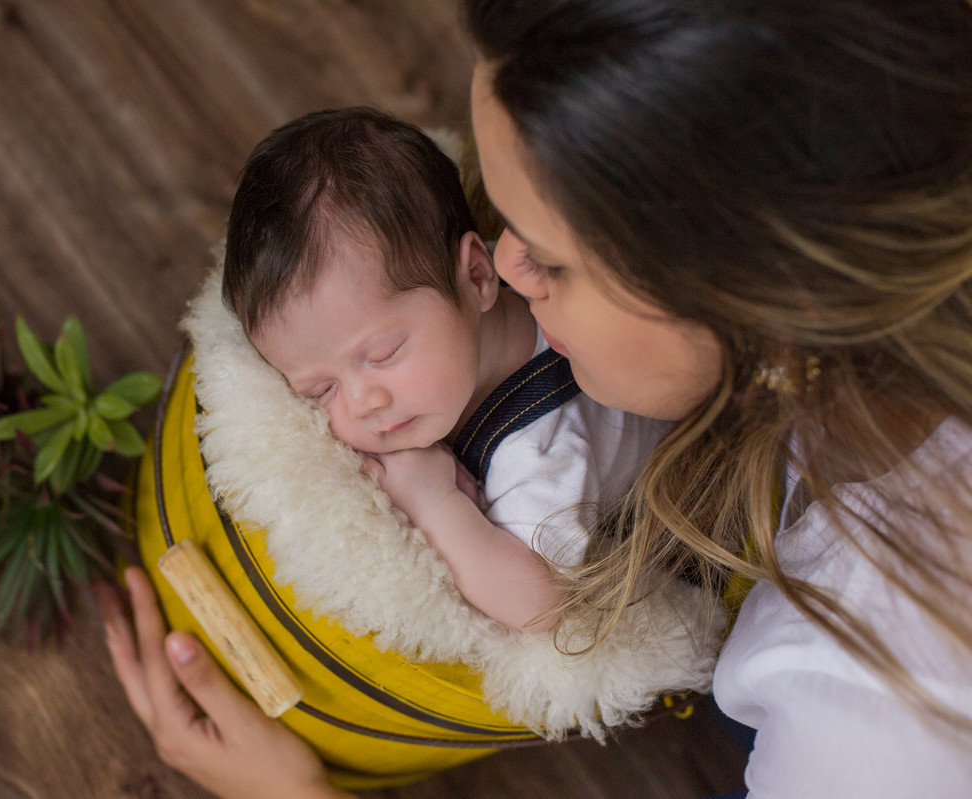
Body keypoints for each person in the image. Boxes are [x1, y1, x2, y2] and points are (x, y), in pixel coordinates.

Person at [94, 1, 972, 796]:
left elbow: (543, 605)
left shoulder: (885, 721)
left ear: (758, 297)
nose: (505, 267)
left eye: (548, 260)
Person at [220, 106, 667, 631]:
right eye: (320, 389)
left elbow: (544, 606)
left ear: (479, 275)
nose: (363, 402)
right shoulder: (455, 302)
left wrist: (435, 506)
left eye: (383, 354)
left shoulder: (543, 450)